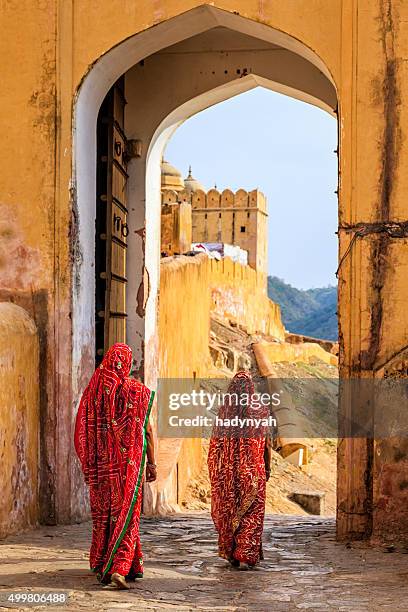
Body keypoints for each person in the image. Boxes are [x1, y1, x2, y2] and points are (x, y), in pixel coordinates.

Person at [74, 343, 156, 589]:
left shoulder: (92, 393)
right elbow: (148, 431)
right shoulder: (136, 391)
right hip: (127, 469)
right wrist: (152, 463)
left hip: (101, 470)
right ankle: (119, 568)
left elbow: (80, 432)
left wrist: (89, 462)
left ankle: (105, 563)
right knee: (127, 517)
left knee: (104, 518)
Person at [207, 370, 271, 570]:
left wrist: (217, 471)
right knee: (252, 514)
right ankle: (245, 554)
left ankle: (232, 553)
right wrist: (267, 467)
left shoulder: (224, 412)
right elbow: (266, 444)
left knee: (230, 512)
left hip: (227, 474)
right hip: (253, 472)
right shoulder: (261, 411)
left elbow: (216, 444)